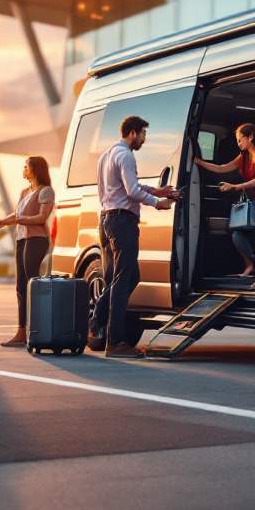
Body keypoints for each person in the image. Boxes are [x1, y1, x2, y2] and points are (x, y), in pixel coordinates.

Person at [92, 115, 179, 358]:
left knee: (121, 278)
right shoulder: (126, 155)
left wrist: (156, 189)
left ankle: (95, 324)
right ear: (133, 133)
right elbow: (131, 191)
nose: (144, 139)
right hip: (122, 221)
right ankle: (115, 342)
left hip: (107, 219)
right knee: (124, 279)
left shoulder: (107, 155)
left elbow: (125, 186)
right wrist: (157, 202)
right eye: (143, 134)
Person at [0, 156, 55, 348]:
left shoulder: (46, 191)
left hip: (37, 240)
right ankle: (21, 332)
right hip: (22, 239)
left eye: (26, 166)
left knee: (32, 283)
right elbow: (17, 215)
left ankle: (38, 329)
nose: (23, 169)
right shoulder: (24, 191)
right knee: (20, 287)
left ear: (34, 169)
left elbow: (41, 218)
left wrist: (19, 219)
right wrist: (0, 221)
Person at [193, 123, 255, 288]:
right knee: (236, 231)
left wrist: (235, 187)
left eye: (240, 140)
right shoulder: (243, 157)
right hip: (253, 203)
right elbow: (221, 168)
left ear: (251, 137)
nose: (238, 144)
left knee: (236, 225)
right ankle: (252, 265)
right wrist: (197, 161)